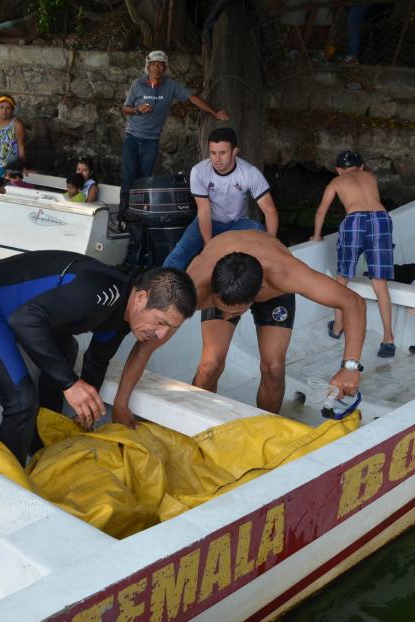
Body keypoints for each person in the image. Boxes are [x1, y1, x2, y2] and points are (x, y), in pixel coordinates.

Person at [0, 251, 196, 464]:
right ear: (141, 297)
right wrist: (70, 384)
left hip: (24, 313)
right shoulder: (99, 293)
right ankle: (5, 482)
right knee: (22, 401)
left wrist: (87, 410)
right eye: (161, 322)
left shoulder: (124, 316)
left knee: (66, 351)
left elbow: (97, 359)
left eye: (171, 328)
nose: (161, 335)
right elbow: (24, 320)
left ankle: (39, 443)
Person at [188, 230, 367, 413]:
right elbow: (159, 318)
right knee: (209, 365)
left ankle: (266, 428)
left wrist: (350, 367)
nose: (227, 317)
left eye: (236, 312)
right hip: (224, 279)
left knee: (273, 369)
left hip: (274, 287)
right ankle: (191, 424)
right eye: (223, 311)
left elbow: (353, 302)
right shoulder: (197, 282)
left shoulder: (286, 274)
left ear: (260, 292)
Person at [119, 50, 230, 218]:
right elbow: (125, 109)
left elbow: (192, 98)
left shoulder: (170, 85)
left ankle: (138, 216)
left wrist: (214, 113)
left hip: (151, 140)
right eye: (153, 64)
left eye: (160, 65)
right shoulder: (138, 84)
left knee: (144, 179)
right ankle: (122, 215)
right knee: (128, 176)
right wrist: (137, 110)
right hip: (132, 137)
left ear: (164, 68)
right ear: (147, 66)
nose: (156, 68)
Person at [311, 150, 395, 358]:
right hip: (380, 220)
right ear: (362, 166)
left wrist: (316, 235)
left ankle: (338, 327)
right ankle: (388, 339)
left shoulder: (336, 182)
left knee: (343, 277)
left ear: (338, 170)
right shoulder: (370, 177)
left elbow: (321, 211)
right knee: (379, 281)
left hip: (355, 220)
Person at [162, 127, 278, 270]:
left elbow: (269, 211)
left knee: (261, 235)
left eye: (222, 153)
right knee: (178, 254)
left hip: (238, 224)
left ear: (234, 152)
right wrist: (208, 246)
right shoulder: (199, 171)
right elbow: (204, 211)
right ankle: (156, 289)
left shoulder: (250, 173)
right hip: (209, 221)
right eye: (213, 153)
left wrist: (272, 245)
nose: (216, 159)